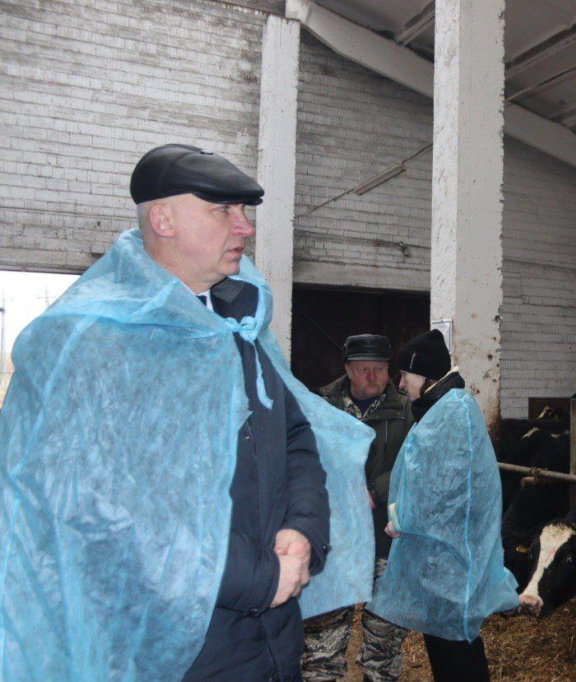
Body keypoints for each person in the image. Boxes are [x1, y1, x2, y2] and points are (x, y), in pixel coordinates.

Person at [0, 144, 375, 680]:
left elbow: (295, 436)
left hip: (273, 638)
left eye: (243, 211)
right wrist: (257, 576)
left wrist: (303, 530)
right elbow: (96, 507)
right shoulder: (88, 342)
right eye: (223, 210)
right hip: (170, 650)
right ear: (164, 220)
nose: (245, 227)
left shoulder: (238, 328)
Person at [367, 329, 519, 682]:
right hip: (440, 554)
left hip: (452, 558)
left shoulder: (453, 410)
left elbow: (444, 487)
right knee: (443, 640)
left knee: (456, 646)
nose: (400, 384)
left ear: (424, 374)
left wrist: (402, 518)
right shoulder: (441, 408)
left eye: (405, 375)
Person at [303, 334, 413, 681]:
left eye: (379, 369)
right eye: (363, 369)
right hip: (333, 537)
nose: (372, 377)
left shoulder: (406, 410)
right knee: (323, 636)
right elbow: (303, 457)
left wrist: (375, 492)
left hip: (385, 536)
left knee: (384, 633)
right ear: (348, 369)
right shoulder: (321, 406)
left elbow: (415, 461)